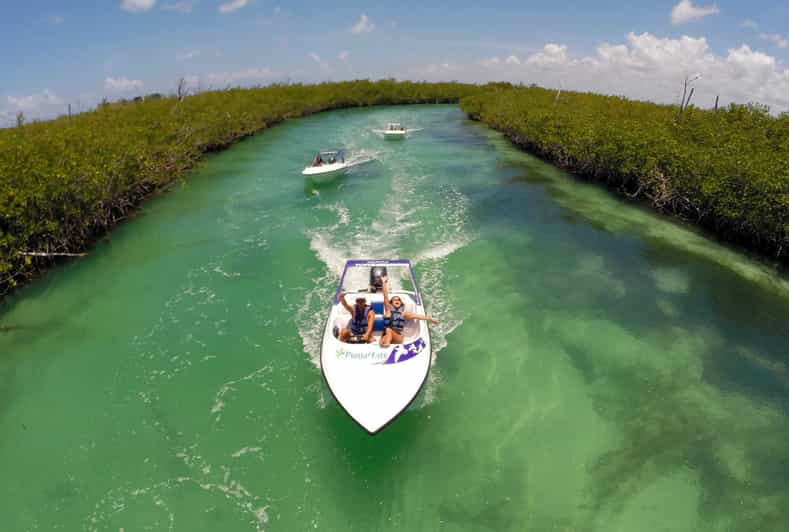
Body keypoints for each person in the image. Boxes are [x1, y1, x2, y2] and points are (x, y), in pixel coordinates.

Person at [379, 275, 438, 347]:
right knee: (386, 333)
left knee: (388, 330)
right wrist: (384, 282)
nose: (397, 301)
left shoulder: (403, 314)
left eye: (399, 300)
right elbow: (385, 297)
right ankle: (385, 343)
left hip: (398, 339)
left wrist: (430, 319)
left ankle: (387, 344)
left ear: (401, 303)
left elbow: (416, 316)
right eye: (395, 300)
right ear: (391, 303)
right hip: (386, 337)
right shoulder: (388, 311)